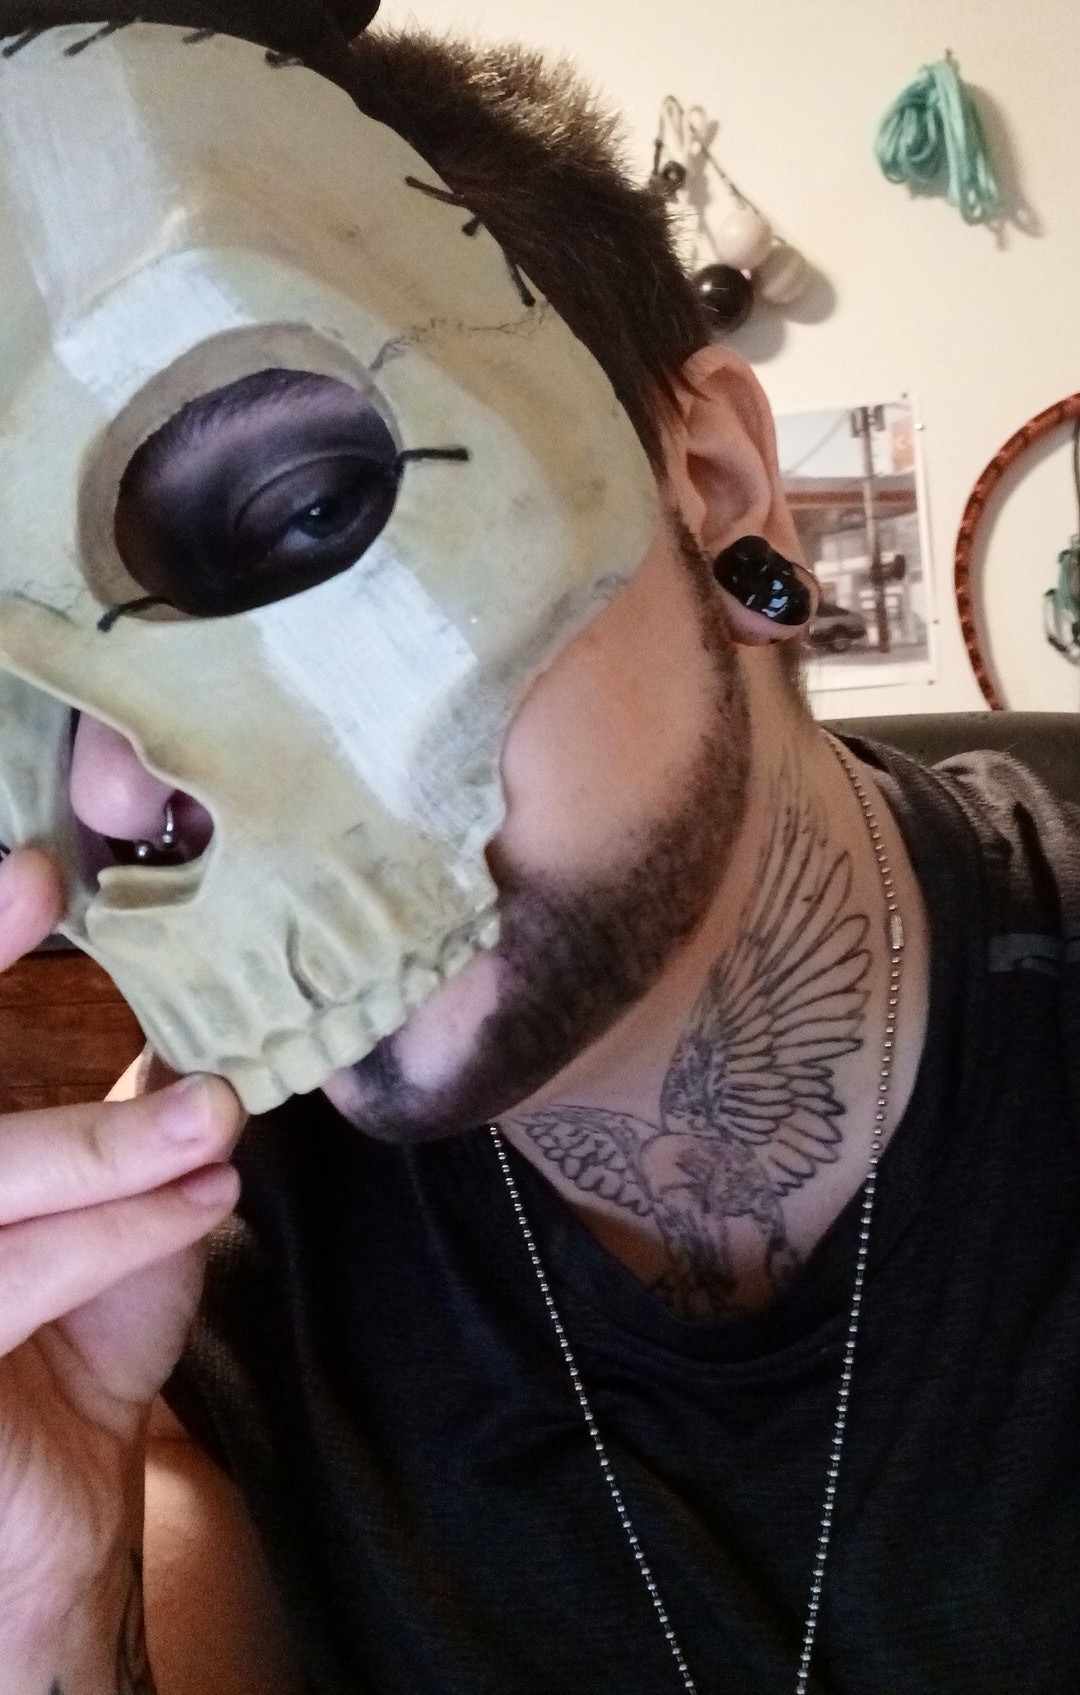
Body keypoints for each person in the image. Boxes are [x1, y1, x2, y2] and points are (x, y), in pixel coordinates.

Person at [2, 7, 1080, 1695]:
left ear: (713, 476)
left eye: (296, 511)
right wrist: (53, 1593)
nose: (123, 798)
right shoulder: (169, 1300)